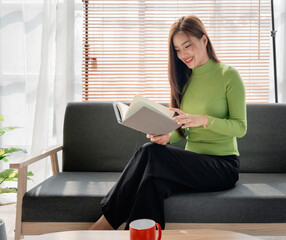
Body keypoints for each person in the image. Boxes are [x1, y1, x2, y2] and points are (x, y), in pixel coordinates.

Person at [90, 15, 247, 231]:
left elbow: (240, 127)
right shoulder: (185, 80)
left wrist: (204, 120)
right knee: (151, 181)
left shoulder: (229, 75)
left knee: (149, 152)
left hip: (222, 166)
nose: (183, 54)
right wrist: (166, 135)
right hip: (193, 163)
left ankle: (104, 224)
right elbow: (182, 129)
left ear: (204, 40)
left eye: (187, 46)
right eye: (177, 50)